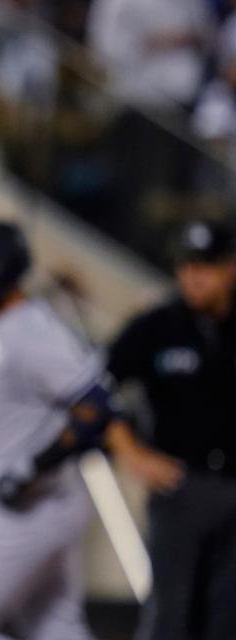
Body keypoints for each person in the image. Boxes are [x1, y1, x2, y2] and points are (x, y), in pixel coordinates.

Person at [0, 216, 181, 640]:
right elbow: (26, 406)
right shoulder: (6, 326)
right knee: (55, 629)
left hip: (27, 507)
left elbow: (95, 407)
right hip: (43, 503)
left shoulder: (28, 331)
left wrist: (33, 465)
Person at [108, 219, 236, 640]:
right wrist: (131, 452)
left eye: (207, 264)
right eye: (187, 264)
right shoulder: (157, 326)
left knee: (226, 618)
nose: (195, 275)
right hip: (181, 486)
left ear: (230, 267)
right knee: (170, 617)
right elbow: (92, 391)